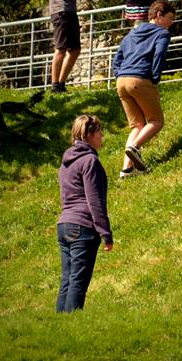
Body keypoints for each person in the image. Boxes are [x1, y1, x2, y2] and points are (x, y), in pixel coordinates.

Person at [56, 114, 113, 313]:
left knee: (67, 279)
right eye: (99, 132)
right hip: (82, 227)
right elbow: (95, 201)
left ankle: (59, 325)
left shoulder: (65, 163)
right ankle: (70, 325)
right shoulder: (90, 161)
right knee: (78, 281)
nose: (102, 136)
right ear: (89, 134)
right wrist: (106, 234)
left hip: (64, 225)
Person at [113, 0, 175, 179]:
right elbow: (159, 55)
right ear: (158, 15)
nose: (171, 23)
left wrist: (119, 74)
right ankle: (135, 147)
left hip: (121, 82)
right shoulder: (162, 33)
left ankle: (126, 170)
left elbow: (117, 58)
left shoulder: (132, 33)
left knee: (137, 125)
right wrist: (155, 77)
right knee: (156, 121)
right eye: (169, 18)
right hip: (140, 79)